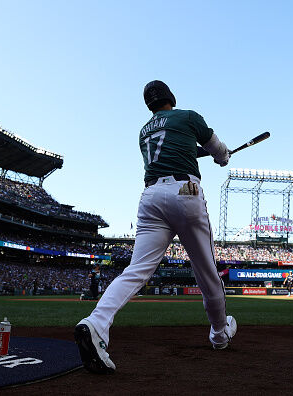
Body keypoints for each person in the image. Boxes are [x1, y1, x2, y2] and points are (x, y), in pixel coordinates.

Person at [74, 81, 236, 374]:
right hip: (185, 191)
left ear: (148, 105)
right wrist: (222, 156)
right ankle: (219, 333)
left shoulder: (143, 131)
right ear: (170, 98)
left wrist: (195, 151)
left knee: (136, 270)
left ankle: (95, 323)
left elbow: (173, 147)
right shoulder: (188, 117)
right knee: (206, 271)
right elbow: (218, 150)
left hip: (150, 198)